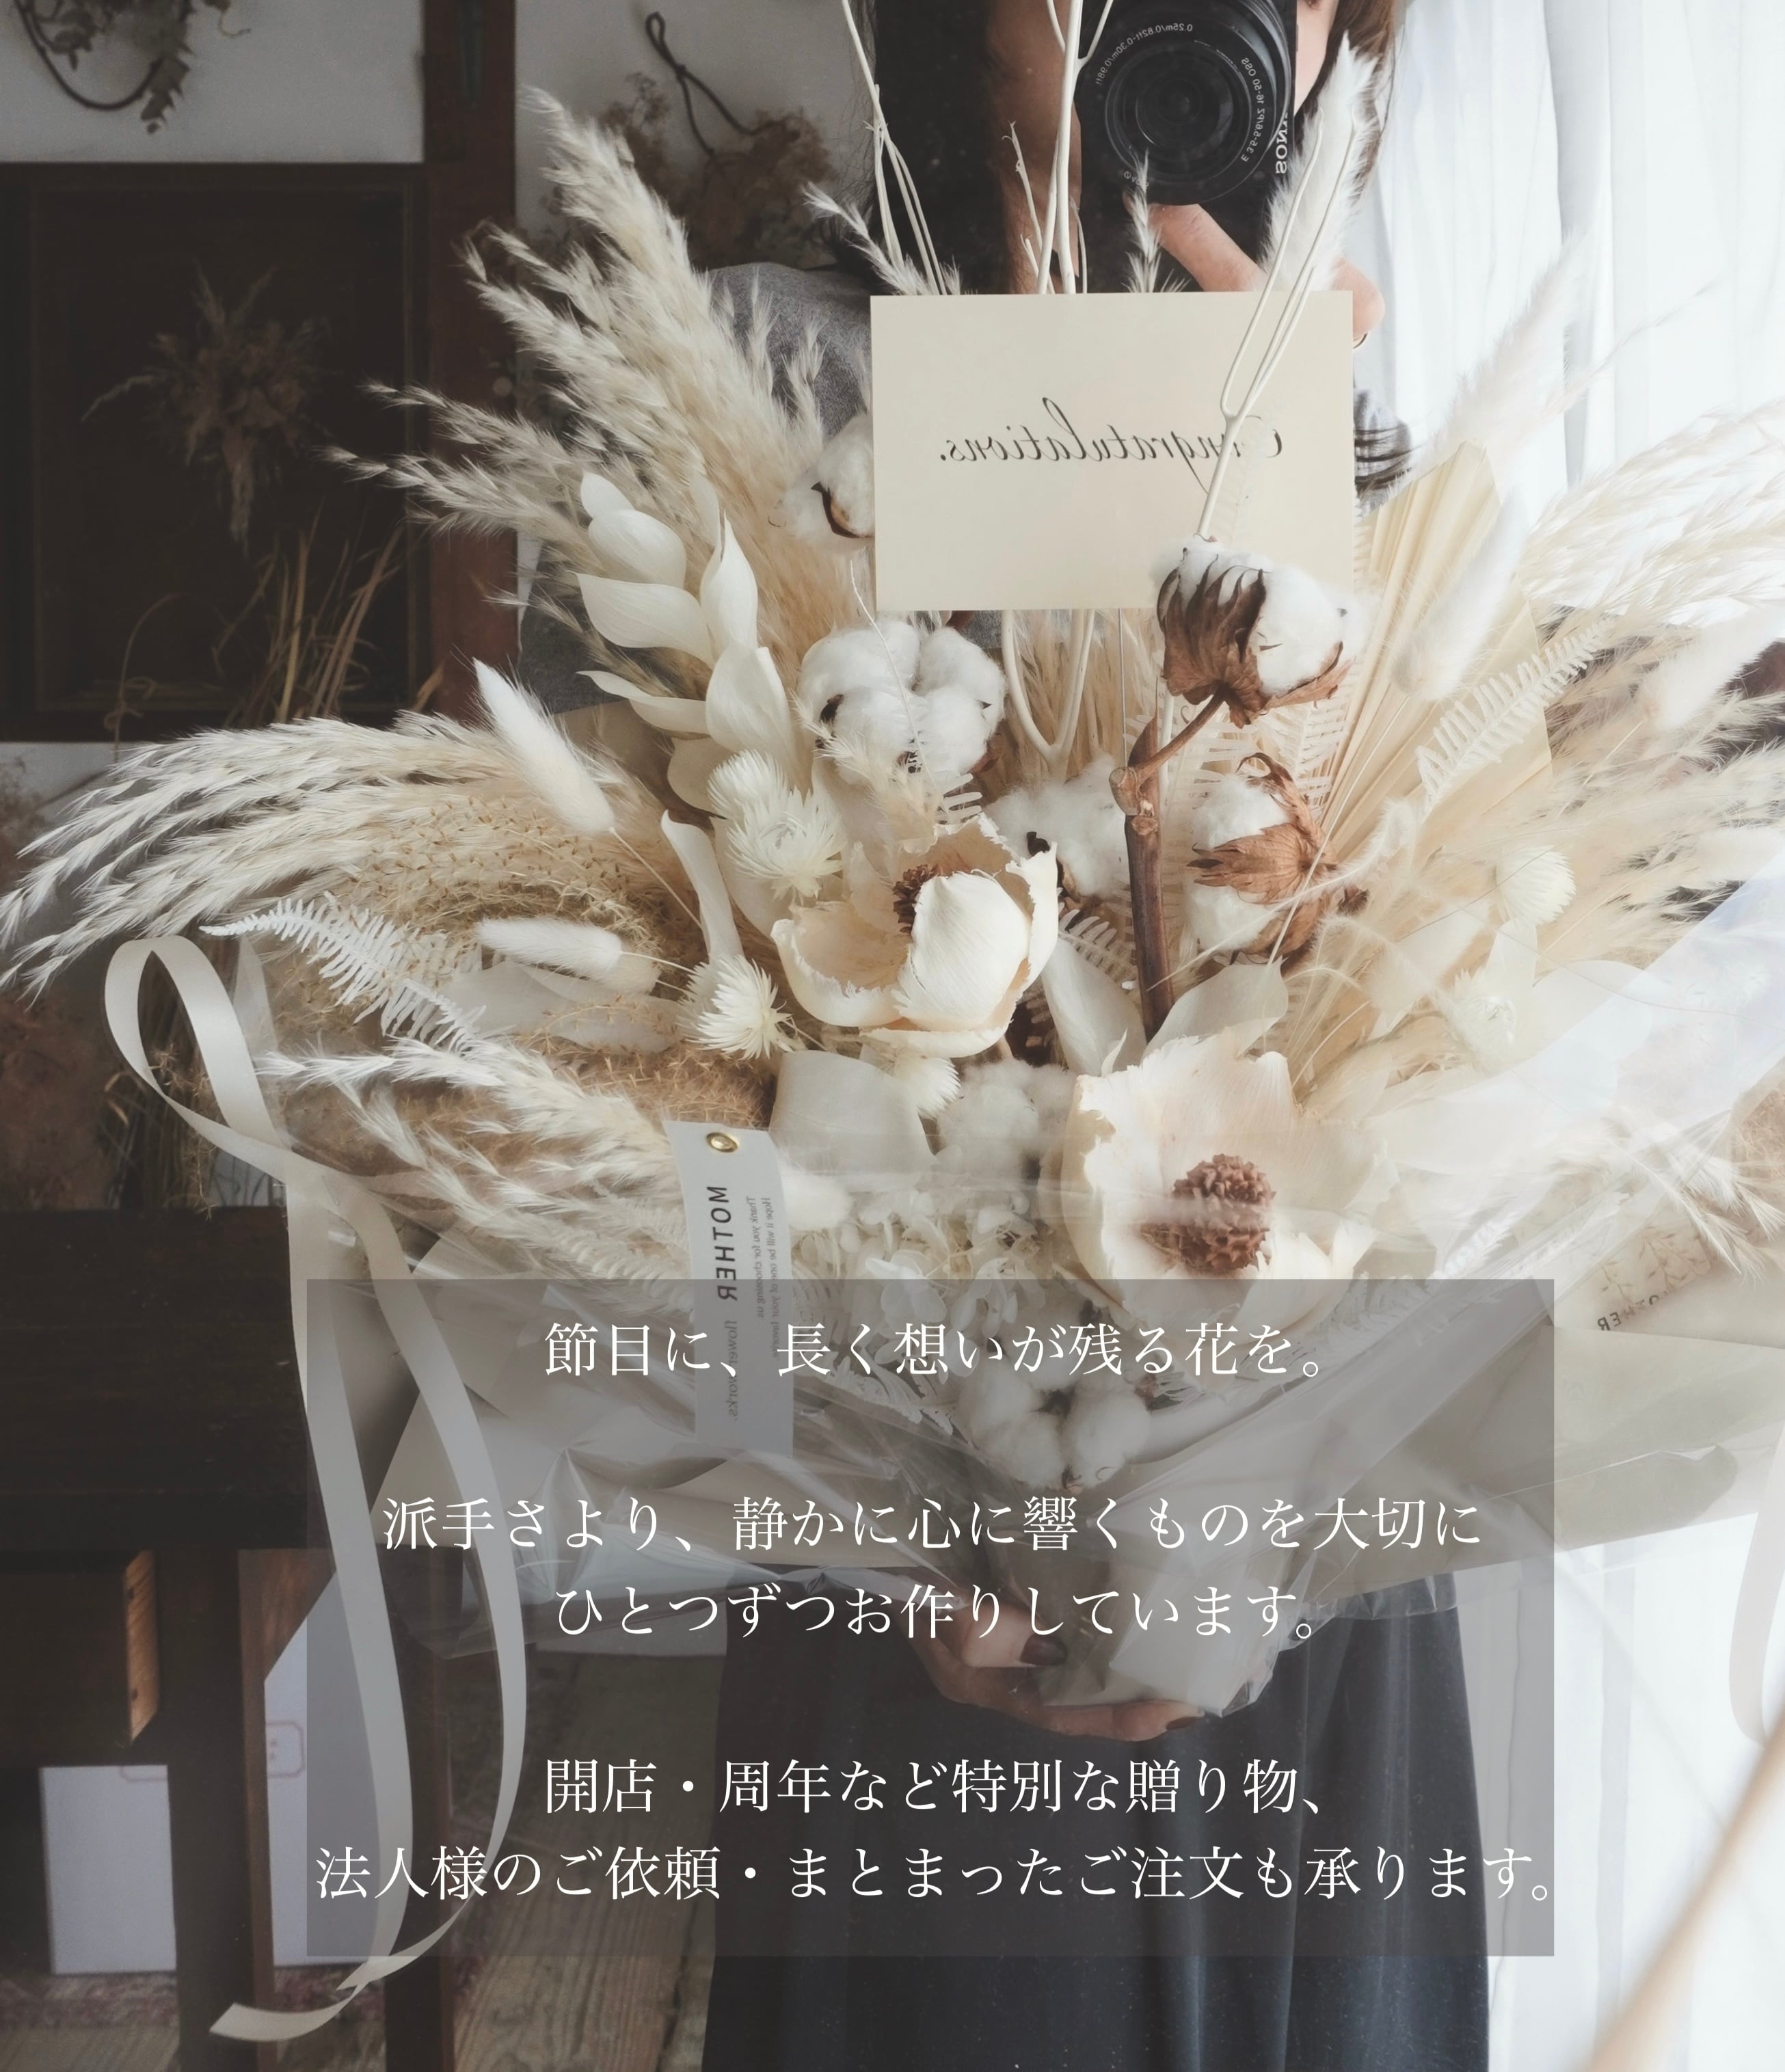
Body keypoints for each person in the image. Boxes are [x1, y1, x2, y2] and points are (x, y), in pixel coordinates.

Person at [690, 8, 1490, 2071]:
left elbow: (1472, 1034)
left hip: (1303, 1553)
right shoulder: (766, 365)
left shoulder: (1383, 381)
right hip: (912, 1565)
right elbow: (663, 1067)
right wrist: (876, 1530)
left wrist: (1280, 1528)